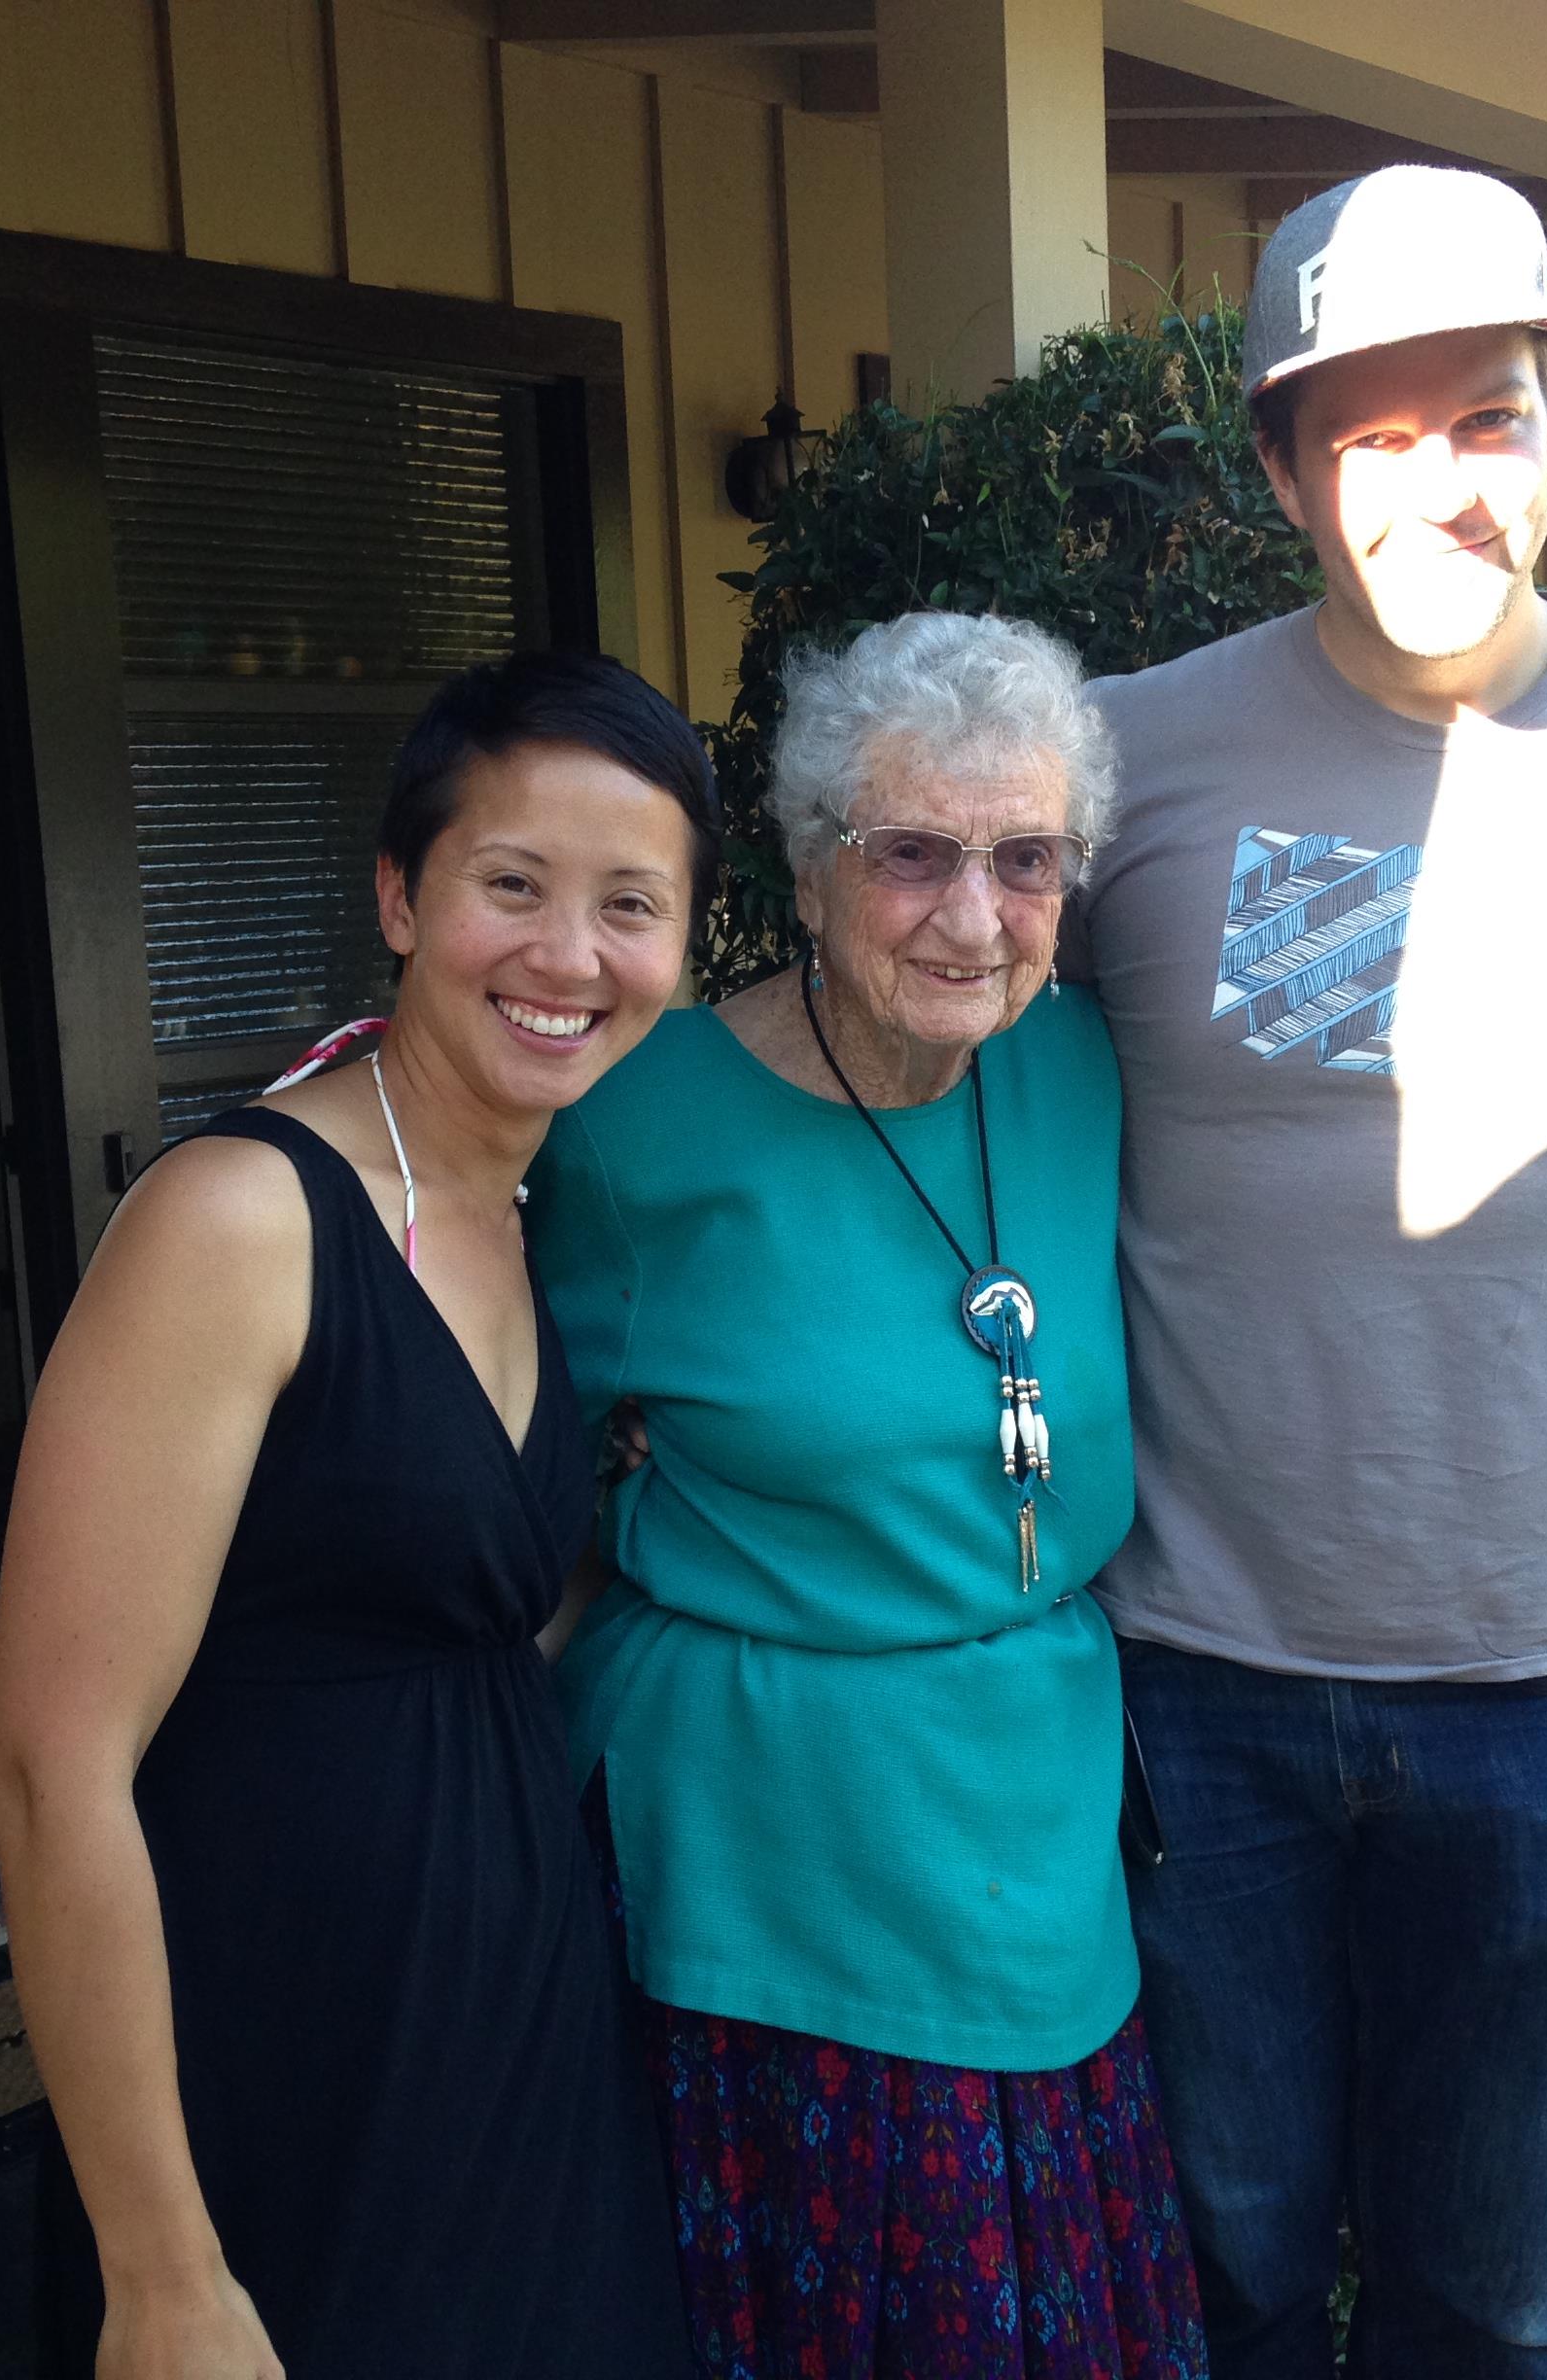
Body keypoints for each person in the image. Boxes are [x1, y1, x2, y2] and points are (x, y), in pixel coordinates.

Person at [1072, 167, 1547, 2378]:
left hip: (1543, 1685)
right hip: (1184, 1684)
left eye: (1487, 417)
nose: (1439, 487)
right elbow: (960, 1119)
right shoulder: (1128, 763)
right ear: (1284, 467)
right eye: (1372, 437)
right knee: (1216, 2269)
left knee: (1479, 2302)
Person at [0, 651, 707, 2380]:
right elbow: (46, 1768)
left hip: (509, 2038)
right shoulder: (240, 1221)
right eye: (509, 885)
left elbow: (460, 1604)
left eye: (632, 906)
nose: (569, 956)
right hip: (280, 2044)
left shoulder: (533, 1211)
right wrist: (160, 2269)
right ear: (399, 893)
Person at [528, 612, 1209, 2380]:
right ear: (812, 871)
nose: (973, 916)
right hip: (768, 1859)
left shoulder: (1081, 1069)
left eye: (1025, 858)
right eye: (911, 852)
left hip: (1036, 1810)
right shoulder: (629, 1128)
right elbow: (514, 1482)